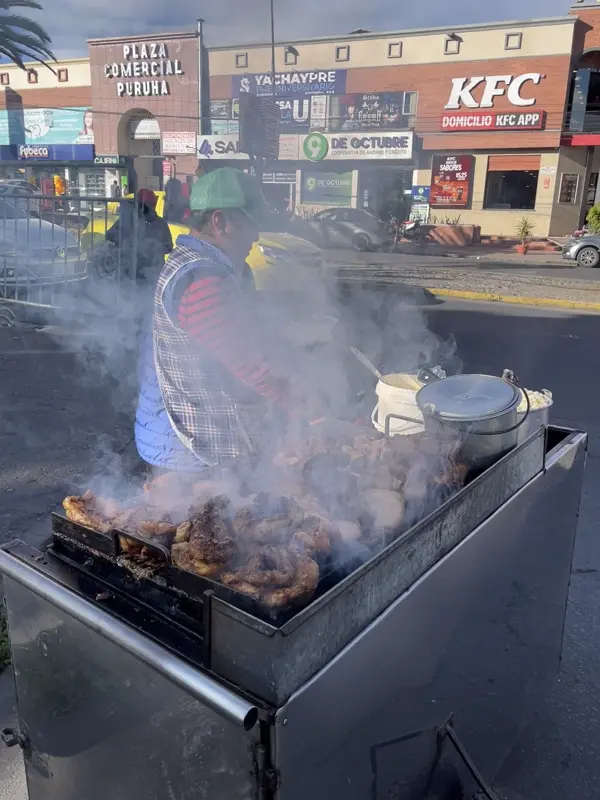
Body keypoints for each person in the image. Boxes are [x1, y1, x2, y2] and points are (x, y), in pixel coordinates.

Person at [135, 167, 321, 475]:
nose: (257, 235)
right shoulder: (199, 279)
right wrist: (315, 413)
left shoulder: (207, 266)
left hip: (187, 441)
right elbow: (251, 363)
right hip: (188, 453)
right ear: (220, 222)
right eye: (250, 224)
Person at [106, 188, 173, 277]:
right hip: (153, 274)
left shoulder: (127, 220)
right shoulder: (161, 223)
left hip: (130, 273)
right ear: (153, 204)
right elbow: (169, 248)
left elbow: (110, 236)